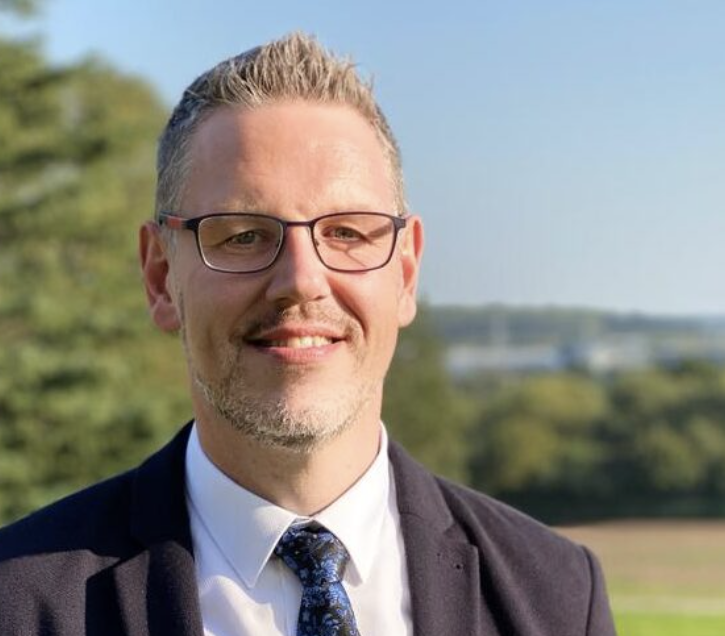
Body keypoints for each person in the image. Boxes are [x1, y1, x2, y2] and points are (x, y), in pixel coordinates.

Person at [0, 33, 616, 636]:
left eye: (347, 233)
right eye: (243, 235)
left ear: (405, 273)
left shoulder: (556, 598)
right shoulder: (18, 601)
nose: (301, 281)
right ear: (161, 277)